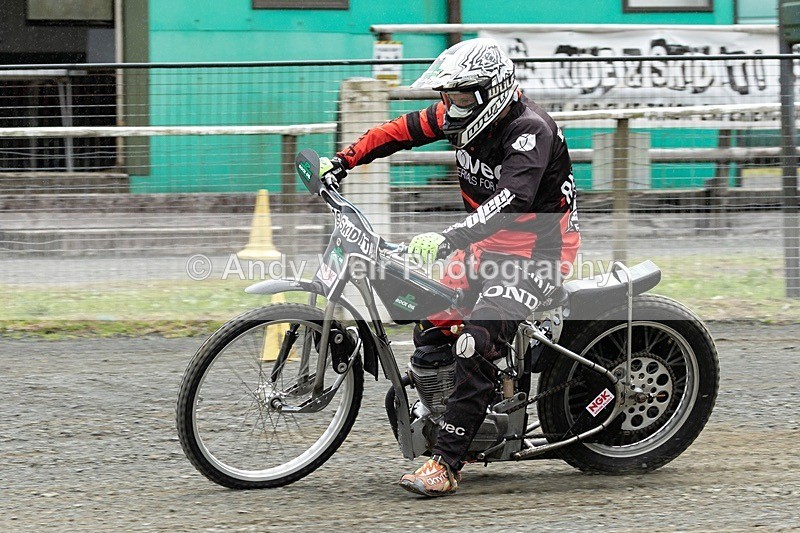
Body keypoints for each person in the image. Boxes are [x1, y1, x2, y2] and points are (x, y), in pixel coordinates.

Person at [321, 38, 580, 497]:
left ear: (490, 92)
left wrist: (448, 238)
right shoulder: (459, 115)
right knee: (432, 320)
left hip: (536, 255)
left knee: (473, 343)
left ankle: (446, 462)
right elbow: (399, 130)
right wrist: (343, 161)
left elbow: (511, 202)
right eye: (447, 95)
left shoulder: (529, 129)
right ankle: (458, 412)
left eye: (460, 96)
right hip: (483, 246)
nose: (448, 107)